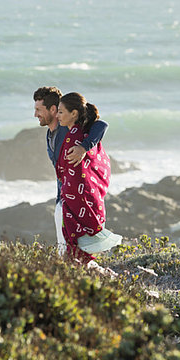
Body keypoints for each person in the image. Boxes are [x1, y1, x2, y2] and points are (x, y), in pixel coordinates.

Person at [33, 87, 109, 254]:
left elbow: (101, 126)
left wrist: (84, 147)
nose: (35, 114)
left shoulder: (68, 129)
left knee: (74, 253)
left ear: (53, 110)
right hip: (63, 197)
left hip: (79, 200)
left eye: (38, 109)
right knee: (66, 251)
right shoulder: (50, 134)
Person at [55, 92, 122, 264]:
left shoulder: (80, 135)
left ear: (74, 114)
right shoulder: (71, 131)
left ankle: (80, 274)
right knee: (73, 242)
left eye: (61, 112)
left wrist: (84, 147)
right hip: (69, 197)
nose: (57, 115)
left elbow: (102, 125)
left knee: (77, 243)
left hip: (77, 197)